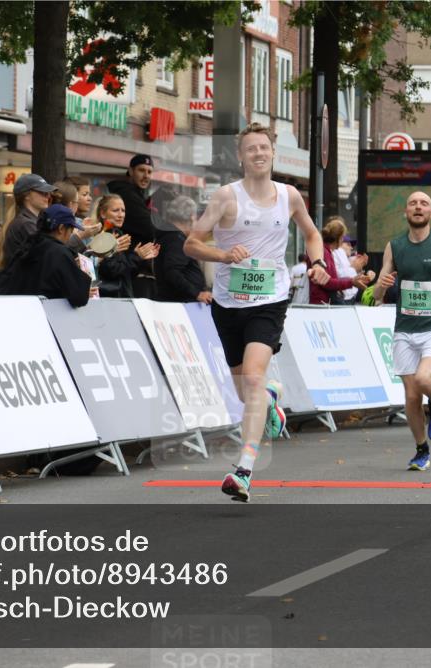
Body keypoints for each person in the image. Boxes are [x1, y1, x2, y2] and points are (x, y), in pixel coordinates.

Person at [184, 123, 330, 502]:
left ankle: (244, 470)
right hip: (228, 302)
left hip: (270, 299)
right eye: (251, 149)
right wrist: (222, 254)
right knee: (244, 389)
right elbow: (191, 244)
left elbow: (313, 234)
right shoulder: (225, 197)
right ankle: (268, 399)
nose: (259, 154)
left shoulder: (290, 196)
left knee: (251, 377)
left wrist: (315, 261)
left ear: (273, 152)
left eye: (264, 147)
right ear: (241, 156)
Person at [373, 191, 431, 472]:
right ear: (406, 212)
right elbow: (378, 293)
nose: (418, 207)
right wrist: (382, 283)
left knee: (425, 379)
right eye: (413, 203)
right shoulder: (395, 246)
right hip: (404, 329)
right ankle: (421, 449)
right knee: (412, 396)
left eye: (424, 203)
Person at [0, 204, 92, 307]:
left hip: (18, 312)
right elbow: (79, 298)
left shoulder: (28, 245)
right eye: (71, 230)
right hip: (45, 317)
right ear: (61, 228)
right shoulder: (59, 253)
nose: (70, 234)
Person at [155, 195, 210, 303]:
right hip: (178, 303)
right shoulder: (176, 239)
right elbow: (172, 272)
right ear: (191, 217)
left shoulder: (168, 236)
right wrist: (196, 293)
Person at [0, 173, 57, 266]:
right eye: (42, 192)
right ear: (26, 195)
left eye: (48, 193)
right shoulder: (26, 224)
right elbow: (50, 254)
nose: (48, 196)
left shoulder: (28, 221)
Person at [309, 219, 369, 305]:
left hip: (325, 302)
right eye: (342, 237)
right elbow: (327, 282)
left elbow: (331, 280)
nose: (342, 241)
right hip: (320, 304)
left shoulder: (328, 251)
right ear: (339, 237)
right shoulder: (323, 252)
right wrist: (351, 282)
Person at [108, 154, 157, 245]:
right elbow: (150, 228)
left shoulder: (138, 195)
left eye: (149, 172)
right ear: (131, 171)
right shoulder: (126, 194)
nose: (146, 176)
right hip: (127, 253)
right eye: (141, 170)